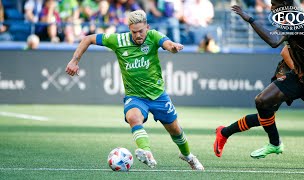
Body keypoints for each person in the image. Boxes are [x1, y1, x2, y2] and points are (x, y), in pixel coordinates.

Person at [65, 10, 204, 170]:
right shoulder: (118, 39)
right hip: (135, 96)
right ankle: (147, 152)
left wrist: (172, 47)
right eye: (134, 32)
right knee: (133, 117)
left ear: (147, 27)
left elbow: (166, 43)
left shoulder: (153, 36)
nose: (138, 35)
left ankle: (188, 156)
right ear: (129, 29)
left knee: (175, 131)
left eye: (141, 31)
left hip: (158, 95)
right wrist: (74, 61)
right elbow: (88, 39)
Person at [214, 0, 304, 159]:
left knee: (264, 116)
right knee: (264, 104)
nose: (271, 8)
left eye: (274, 4)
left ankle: (225, 132)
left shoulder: (295, 20)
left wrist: (250, 20)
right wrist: (299, 73)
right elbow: (285, 51)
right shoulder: (301, 19)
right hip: (299, 77)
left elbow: (273, 41)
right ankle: (273, 143)